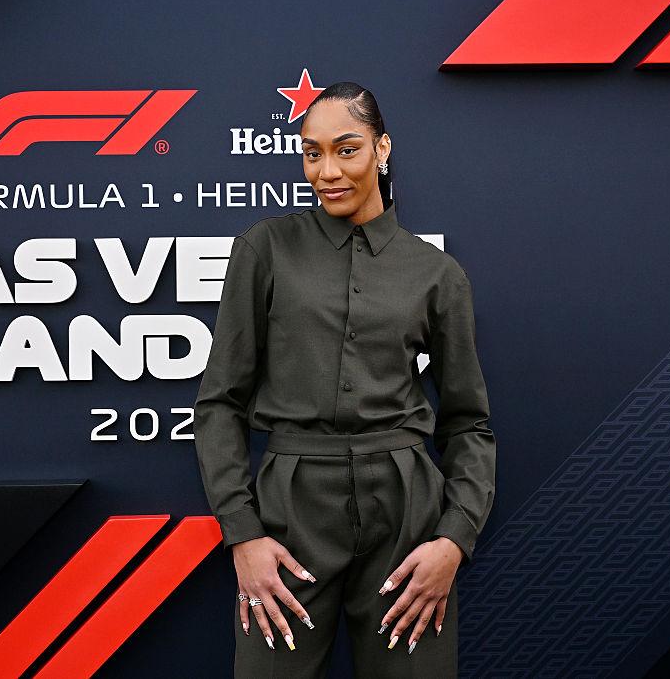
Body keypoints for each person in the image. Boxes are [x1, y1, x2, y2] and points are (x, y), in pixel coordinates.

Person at [193, 81, 496, 678]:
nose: (327, 171)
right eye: (313, 153)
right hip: (290, 513)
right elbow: (219, 403)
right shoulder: (265, 249)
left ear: (382, 149)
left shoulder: (437, 274)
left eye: (346, 149)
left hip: (407, 518)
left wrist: (453, 541)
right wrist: (243, 535)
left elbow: (468, 423)